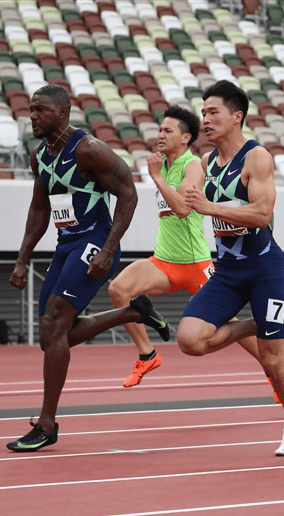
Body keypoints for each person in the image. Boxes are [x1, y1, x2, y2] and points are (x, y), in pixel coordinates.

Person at [7, 84, 171, 452]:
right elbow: (39, 209)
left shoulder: (88, 149)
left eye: (40, 110)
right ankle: (133, 311)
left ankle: (47, 424)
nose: (32, 115)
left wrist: (109, 249)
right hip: (66, 244)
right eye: (30, 109)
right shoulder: (40, 157)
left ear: (62, 112)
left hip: (93, 241)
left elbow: (128, 192)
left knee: (54, 323)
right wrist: (22, 258)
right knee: (49, 337)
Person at [107, 105, 270, 396]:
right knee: (119, 289)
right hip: (164, 261)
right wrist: (159, 174)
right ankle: (148, 355)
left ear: (185, 138)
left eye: (167, 131)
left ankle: (273, 368)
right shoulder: (165, 165)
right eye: (159, 129)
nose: (160, 135)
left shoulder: (193, 165)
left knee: (228, 325)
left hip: (195, 264)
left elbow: (183, 209)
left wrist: (156, 178)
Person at [179, 80, 284, 456]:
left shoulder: (257, 158)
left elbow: (262, 214)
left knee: (271, 358)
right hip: (229, 273)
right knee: (189, 339)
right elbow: (187, 203)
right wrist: (159, 180)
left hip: (265, 268)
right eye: (202, 113)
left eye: (213, 112)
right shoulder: (203, 162)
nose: (205, 119)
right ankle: (259, 325)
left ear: (237, 117)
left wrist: (210, 207)